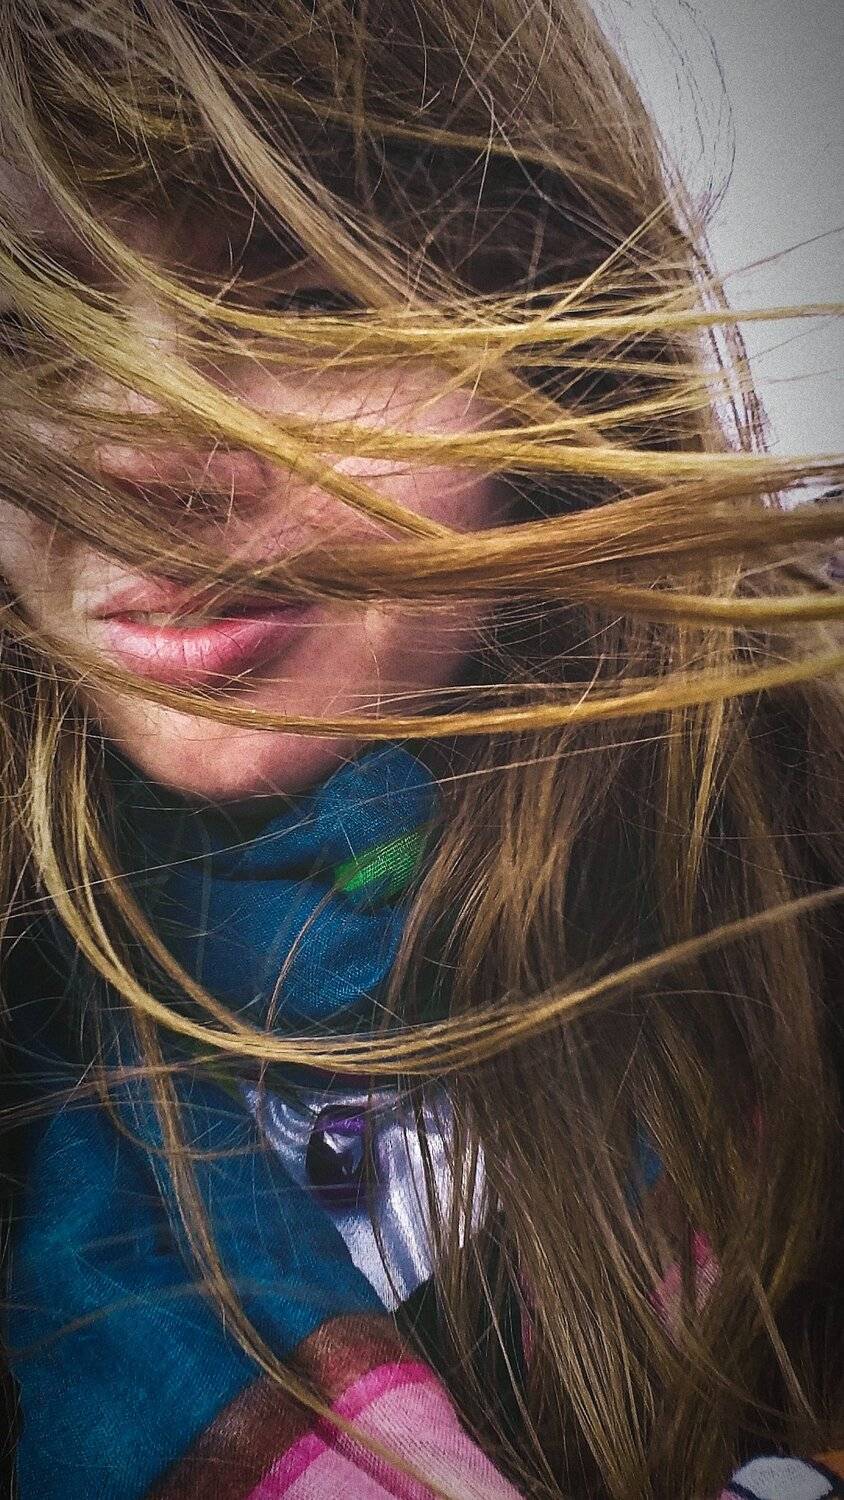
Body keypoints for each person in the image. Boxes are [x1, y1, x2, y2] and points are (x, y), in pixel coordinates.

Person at [1, 2, 842, 1497]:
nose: (133, 454)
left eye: (294, 299)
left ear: (544, 325)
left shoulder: (805, 874)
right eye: (27, 330)